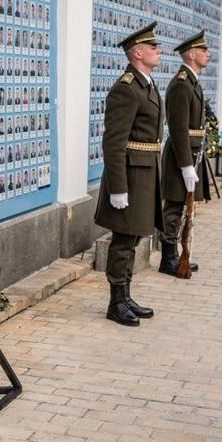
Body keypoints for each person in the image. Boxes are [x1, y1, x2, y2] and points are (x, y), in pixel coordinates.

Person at [94, 21, 162, 326]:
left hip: (145, 174)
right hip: (131, 177)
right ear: (136, 53)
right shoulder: (126, 89)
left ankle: (125, 295)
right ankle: (115, 302)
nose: (158, 50)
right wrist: (117, 188)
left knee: (132, 239)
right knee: (122, 241)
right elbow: (113, 142)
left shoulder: (146, 84)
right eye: (152, 46)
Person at [159, 31, 209, 277]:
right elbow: (179, 129)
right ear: (192, 54)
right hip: (182, 155)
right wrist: (186, 165)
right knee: (174, 206)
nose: (207, 54)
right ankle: (168, 257)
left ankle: (177, 254)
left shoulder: (191, 81)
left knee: (182, 208)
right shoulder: (181, 83)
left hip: (191, 153)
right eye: (203, 50)